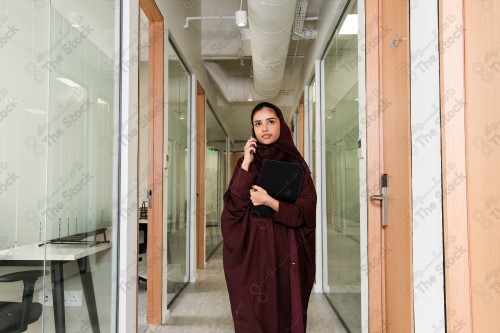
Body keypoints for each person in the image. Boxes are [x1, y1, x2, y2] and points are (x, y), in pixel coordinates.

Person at [221, 102, 317, 333]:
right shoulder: (246, 164)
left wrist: (270, 202)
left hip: (286, 249)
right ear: (252, 130)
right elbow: (233, 208)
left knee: (285, 307)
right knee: (253, 311)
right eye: (258, 124)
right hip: (252, 251)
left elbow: (305, 212)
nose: (264, 128)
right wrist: (245, 162)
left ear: (281, 125)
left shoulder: (298, 166)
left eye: (270, 121)